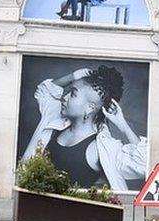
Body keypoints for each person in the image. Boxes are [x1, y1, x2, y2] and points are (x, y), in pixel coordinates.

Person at [21, 65, 149, 193]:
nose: (64, 97)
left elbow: (144, 163)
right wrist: (72, 77)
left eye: (72, 94)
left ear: (90, 107)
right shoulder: (55, 118)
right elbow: (45, 92)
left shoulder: (103, 148)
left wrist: (122, 125)